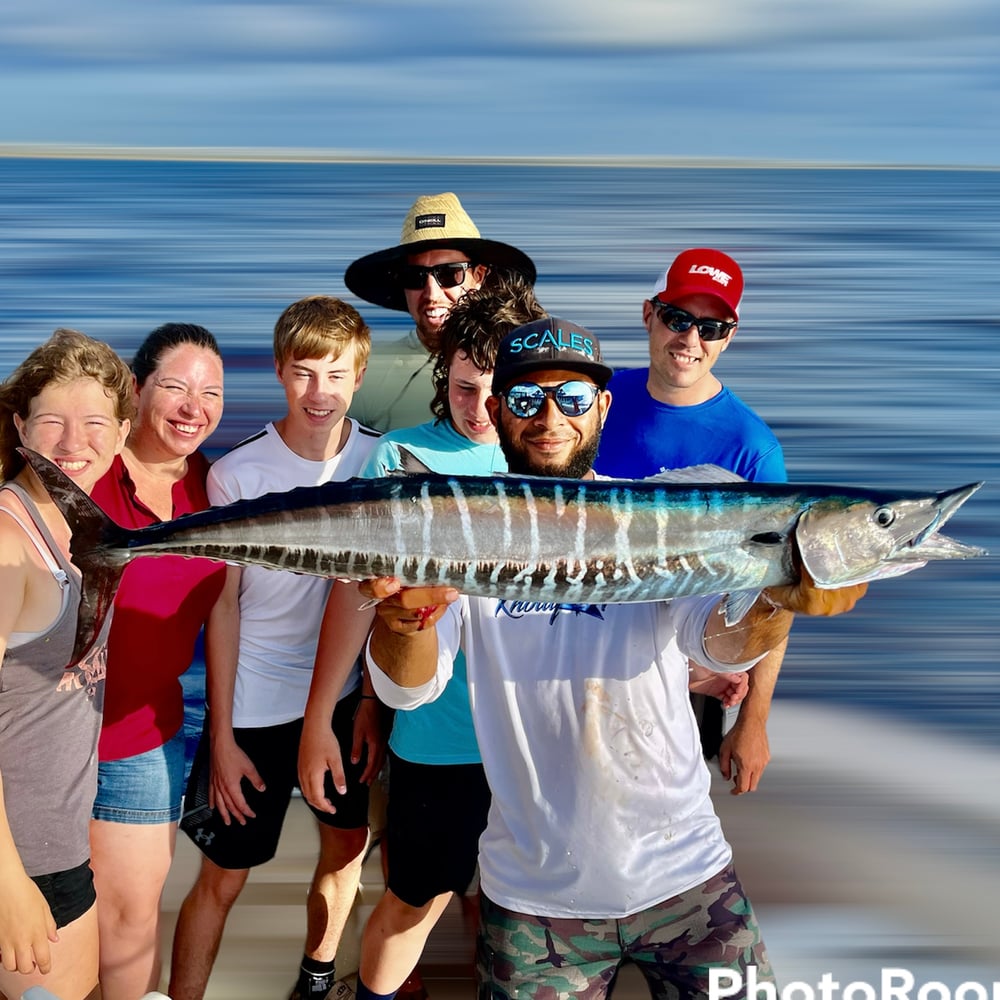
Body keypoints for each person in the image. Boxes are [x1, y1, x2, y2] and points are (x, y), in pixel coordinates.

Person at [360, 318, 868, 999]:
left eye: (572, 399)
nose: (549, 418)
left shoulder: (656, 521)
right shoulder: (463, 531)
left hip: (688, 879)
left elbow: (715, 642)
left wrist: (778, 605)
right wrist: (403, 620)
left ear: (602, 408)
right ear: (495, 410)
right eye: (525, 400)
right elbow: (408, 691)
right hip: (534, 904)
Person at [298, 276, 547, 1000]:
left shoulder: (560, 459)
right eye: (462, 388)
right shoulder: (399, 459)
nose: (477, 409)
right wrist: (328, 713)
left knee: (529, 911)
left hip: (541, 740)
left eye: (494, 389)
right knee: (416, 899)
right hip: (439, 737)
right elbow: (356, 602)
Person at [168, 297, 382, 1000]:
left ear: (360, 375)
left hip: (344, 697)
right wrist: (222, 735)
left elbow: (379, 601)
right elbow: (222, 609)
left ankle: (317, 979)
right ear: (278, 373)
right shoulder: (237, 475)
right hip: (254, 706)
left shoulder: (383, 461)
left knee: (346, 849)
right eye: (302, 373)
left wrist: (371, 704)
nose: (319, 393)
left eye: (336, 374)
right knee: (222, 878)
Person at [595, 248, 788, 794]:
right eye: (678, 319)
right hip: (575, 649)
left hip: (686, 679)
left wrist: (754, 721)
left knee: (663, 834)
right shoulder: (595, 400)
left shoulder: (753, 449)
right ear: (647, 315)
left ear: (729, 335)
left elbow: (774, 591)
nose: (690, 340)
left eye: (710, 326)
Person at [89, 323, 228, 1000]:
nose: (192, 406)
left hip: (142, 736)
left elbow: (229, 613)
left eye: (211, 393)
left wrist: (225, 736)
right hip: (41, 732)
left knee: (132, 922)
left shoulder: (220, 488)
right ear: (137, 389)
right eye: (174, 386)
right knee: (44, 932)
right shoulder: (86, 465)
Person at [0, 328, 133, 1000]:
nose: (72, 442)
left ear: (120, 433)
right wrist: (9, 888)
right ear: (20, 424)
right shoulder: (8, 542)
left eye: (94, 423)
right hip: (18, 864)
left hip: (55, 847)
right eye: (51, 420)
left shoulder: (82, 525)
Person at [344, 191, 536, 432]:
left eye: (448, 274)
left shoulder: (525, 361)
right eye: (415, 277)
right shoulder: (363, 373)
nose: (432, 294)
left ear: (478, 276)